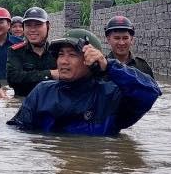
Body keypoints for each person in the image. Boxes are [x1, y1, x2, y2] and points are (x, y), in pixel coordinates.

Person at [8, 28, 161, 136]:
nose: (63, 61)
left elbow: (151, 92)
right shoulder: (42, 92)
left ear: (92, 60)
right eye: (61, 54)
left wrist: (109, 66)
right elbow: (17, 131)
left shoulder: (109, 96)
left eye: (72, 55)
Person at [7, 6, 56, 97]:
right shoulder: (15, 51)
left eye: (38, 25)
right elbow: (13, 79)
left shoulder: (56, 51)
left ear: (48, 26)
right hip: (23, 103)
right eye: (28, 25)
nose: (33, 30)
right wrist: (50, 74)